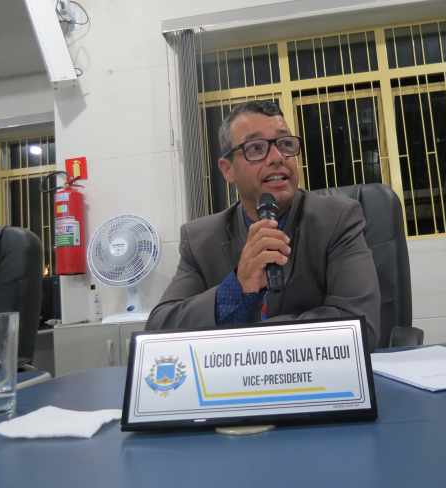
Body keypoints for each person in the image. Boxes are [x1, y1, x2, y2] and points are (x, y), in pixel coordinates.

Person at [145, 100, 381, 351]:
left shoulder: (337, 219)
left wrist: (252, 341)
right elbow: (159, 334)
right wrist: (235, 288)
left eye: (285, 144)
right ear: (227, 170)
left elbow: (360, 327)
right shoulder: (200, 239)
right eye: (256, 148)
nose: (277, 158)